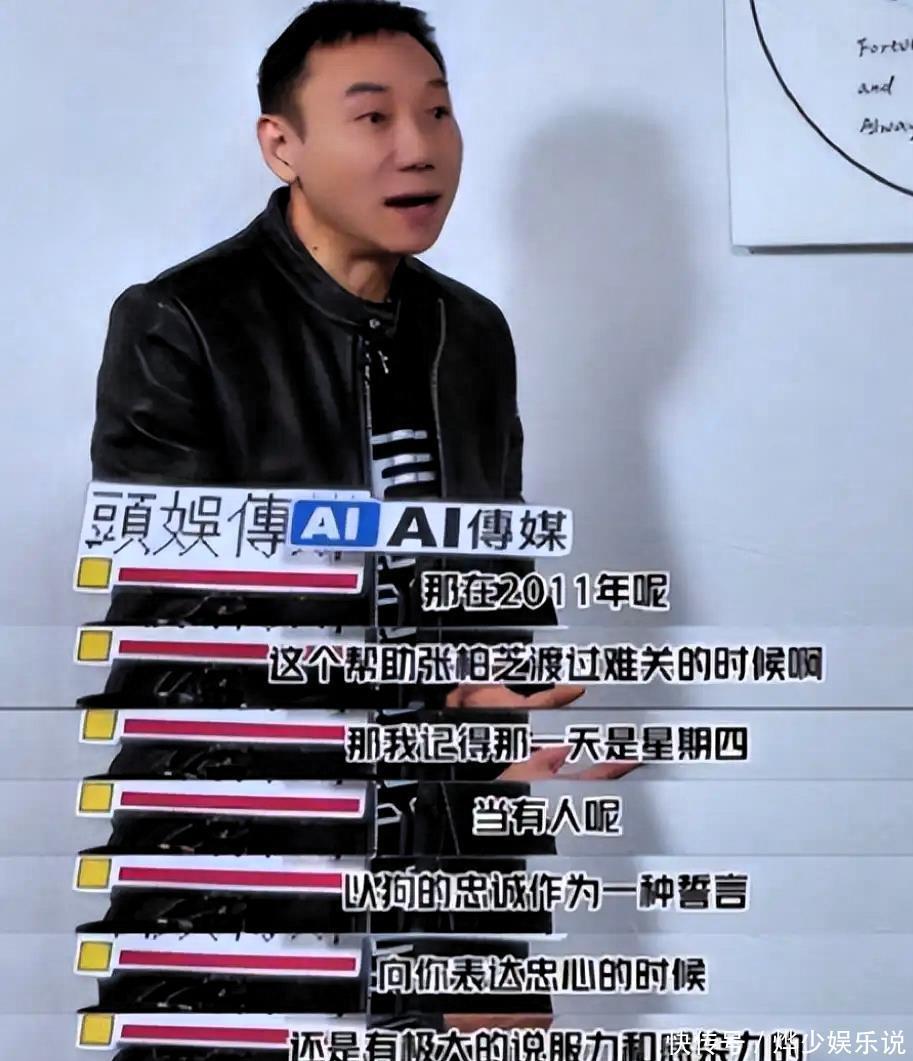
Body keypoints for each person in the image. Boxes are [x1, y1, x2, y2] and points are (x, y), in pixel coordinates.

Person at [90, 0, 598, 719]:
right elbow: (173, 634)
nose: (418, 148)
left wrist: (498, 735)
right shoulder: (179, 323)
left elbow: (498, 576)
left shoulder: (471, 331)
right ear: (282, 146)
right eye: (373, 117)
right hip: (254, 781)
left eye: (437, 113)